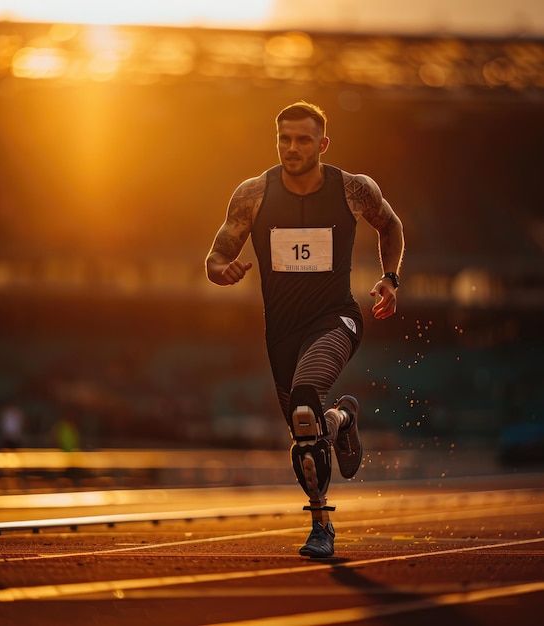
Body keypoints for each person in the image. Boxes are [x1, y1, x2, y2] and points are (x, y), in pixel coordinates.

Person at [205, 101, 405, 557]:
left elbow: (390, 225)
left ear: (323, 144)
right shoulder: (252, 195)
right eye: (284, 139)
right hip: (281, 333)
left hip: (337, 318)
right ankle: (343, 418)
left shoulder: (353, 189)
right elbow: (215, 256)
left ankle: (321, 528)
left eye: (303, 139)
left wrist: (390, 278)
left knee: (303, 404)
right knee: (307, 433)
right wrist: (223, 271)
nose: (291, 148)